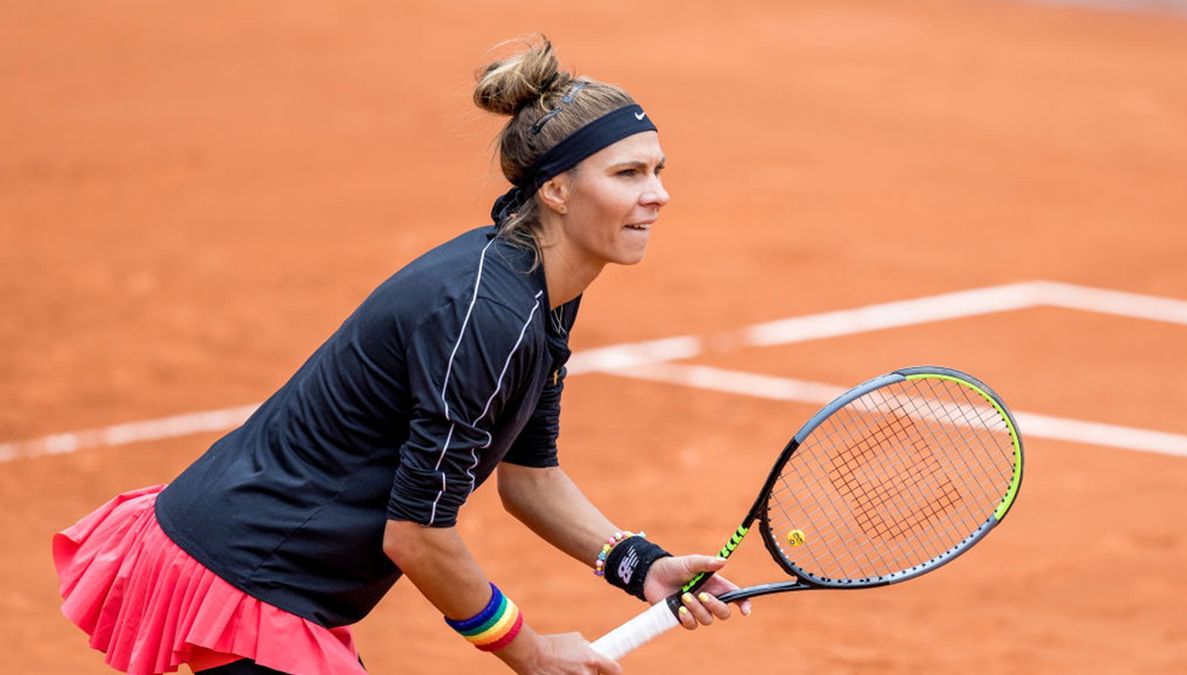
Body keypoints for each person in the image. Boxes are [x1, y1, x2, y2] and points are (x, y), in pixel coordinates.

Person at [52, 36, 749, 675]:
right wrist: (530, 652)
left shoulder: (540, 293)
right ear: (557, 189)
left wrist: (638, 565)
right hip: (249, 571)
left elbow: (528, 476)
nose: (658, 194)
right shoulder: (491, 316)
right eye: (628, 173)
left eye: (657, 170)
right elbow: (416, 536)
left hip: (253, 558)